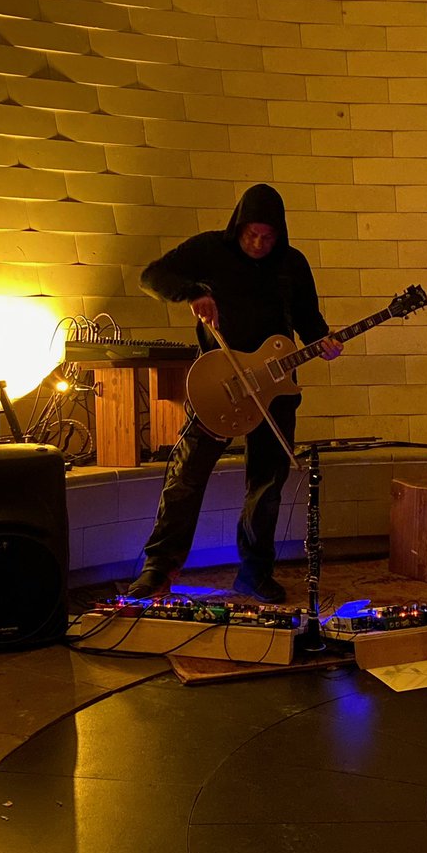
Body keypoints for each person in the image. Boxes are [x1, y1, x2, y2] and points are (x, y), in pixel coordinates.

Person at [125, 183, 343, 603]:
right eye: (251, 235)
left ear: (279, 233)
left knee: (267, 484)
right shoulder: (209, 249)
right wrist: (194, 293)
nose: (259, 244)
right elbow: (151, 277)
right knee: (187, 476)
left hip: (274, 389)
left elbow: (308, 319)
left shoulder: (292, 264)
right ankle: (159, 567)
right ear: (238, 226)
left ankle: (255, 573)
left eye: (268, 237)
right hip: (218, 383)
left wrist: (324, 341)